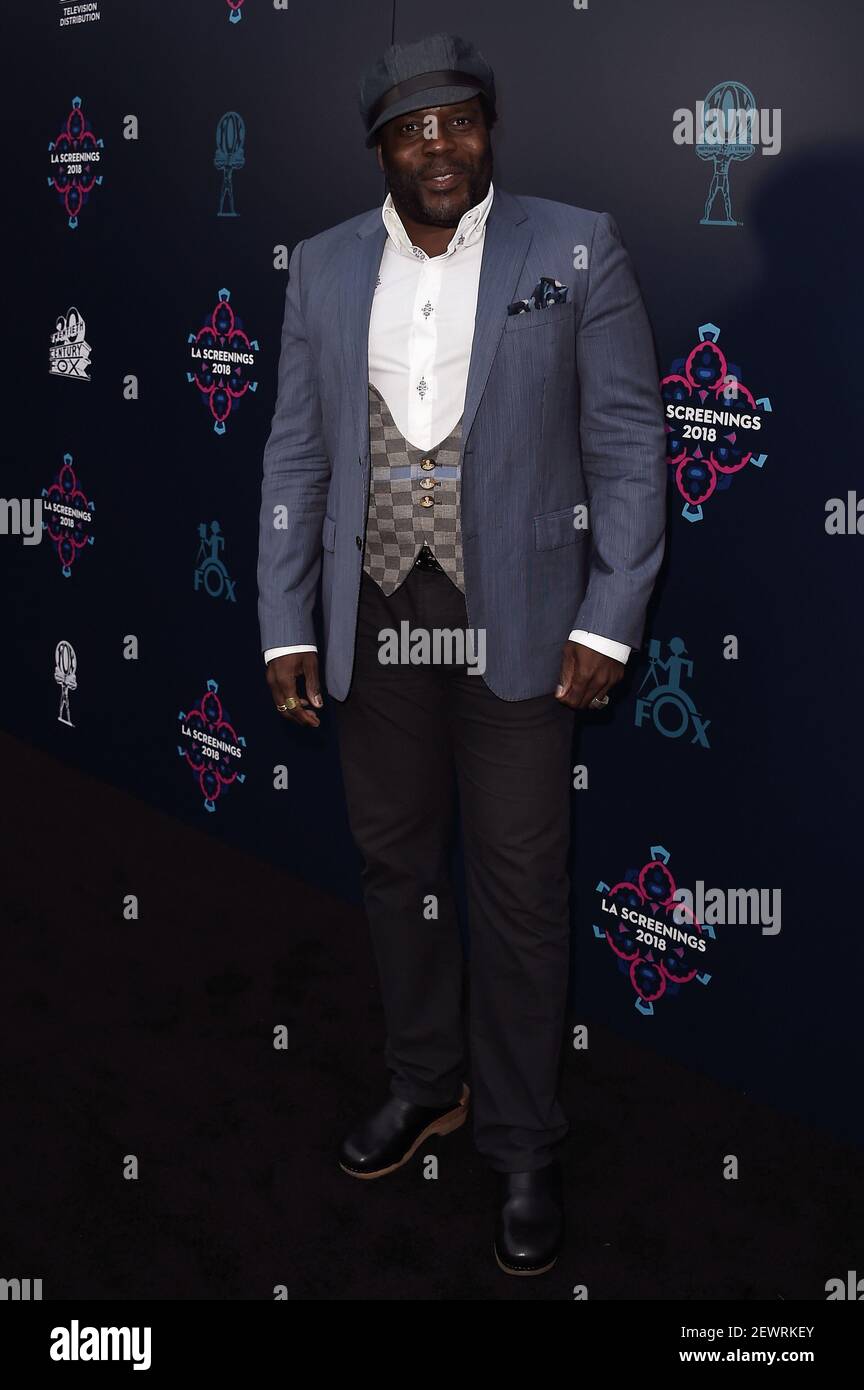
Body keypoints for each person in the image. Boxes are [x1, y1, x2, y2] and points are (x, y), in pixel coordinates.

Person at [257, 31, 666, 1276]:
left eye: (461, 121)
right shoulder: (323, 268)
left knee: (522, 893)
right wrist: (285, 615)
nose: (441, 146)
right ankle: (426, 1079)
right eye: (414, 128)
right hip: (375, 622)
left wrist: (608, 616)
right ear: (382, 145)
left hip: (526, 625)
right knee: (395, 870)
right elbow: (295, 453)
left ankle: (524, 1137)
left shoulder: (576, 246)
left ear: (491, 129)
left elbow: (632, 447)